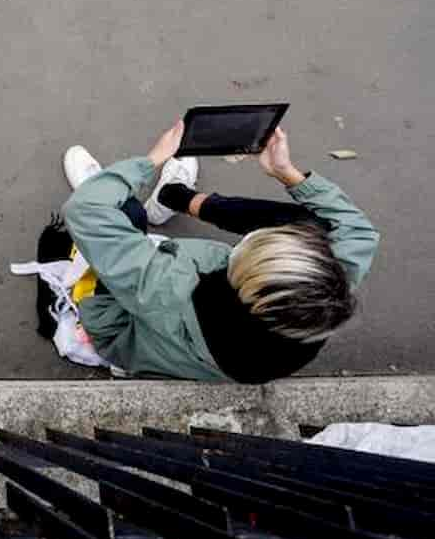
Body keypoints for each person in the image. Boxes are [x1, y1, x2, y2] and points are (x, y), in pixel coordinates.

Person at [43, 121, 379, 382]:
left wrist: (150, 161)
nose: (248, 238)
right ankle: (174, 196)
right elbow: (357, 230)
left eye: (249, 249)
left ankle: (113, 187)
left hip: (134, 326)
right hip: (210, 351)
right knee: (309, 223)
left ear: (245, 286)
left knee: (126, 216)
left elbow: (85, 211)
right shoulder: (329, 290)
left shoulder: (172, 288)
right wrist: (286, 173)